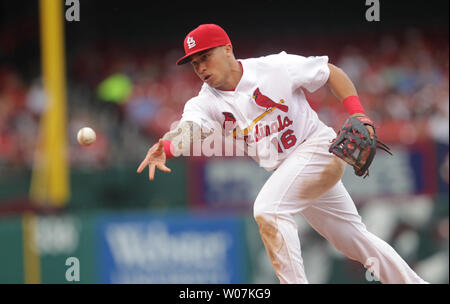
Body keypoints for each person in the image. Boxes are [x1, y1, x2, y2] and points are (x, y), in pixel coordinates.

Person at [137, 24, 427, 284]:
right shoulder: (204, 102)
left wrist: (358, 113)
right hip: (290, 172)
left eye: (205, 57)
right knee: (354, 240)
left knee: (268, 209)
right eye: (194, 63)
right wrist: (167, 147)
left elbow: (330, 73)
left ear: (227, 49)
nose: (200, 67)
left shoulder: (275, 67)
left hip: (317, 149)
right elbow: (189, 130)